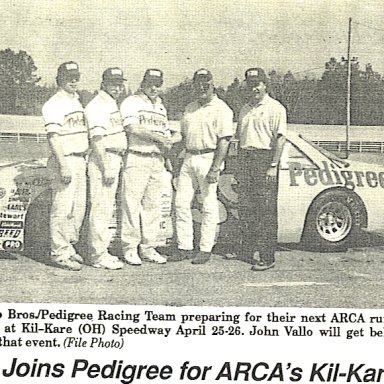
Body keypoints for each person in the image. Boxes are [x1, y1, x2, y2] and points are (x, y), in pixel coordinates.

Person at [171, 68, 234, 265]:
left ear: (212, 84)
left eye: (206, 83)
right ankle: (184, 247)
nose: (202, 87)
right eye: (198, 83)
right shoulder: (190, 108)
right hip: (189, 157)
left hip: (209, 158)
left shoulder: (222, 108)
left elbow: (224, 141)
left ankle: (206, 248)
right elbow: (182, 137)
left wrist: (216, 167)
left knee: (208, 205)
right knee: (181, 204)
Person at [120, 69, 181, 265]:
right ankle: (129, 248)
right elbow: (132, 128)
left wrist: (170, 142)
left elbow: (166, 134)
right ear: (143, 83)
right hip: (137, 156)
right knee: (131, 205)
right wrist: (159, 138)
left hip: (157, 159)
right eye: (150, 83)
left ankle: (149, 247)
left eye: (157, 84)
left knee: (153, 205)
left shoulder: (160, 106)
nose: (154, 88)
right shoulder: (131, 102)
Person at [236, 67, 287, 271]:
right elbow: (239, 138)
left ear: (265, 85)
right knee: (246, 209)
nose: (254, 88)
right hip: (245, 159)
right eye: (250, 84)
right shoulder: (244, 108)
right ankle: (247, 250)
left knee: (265, 212)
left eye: (257, 84)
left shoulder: (276, 108)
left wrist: (273, 166)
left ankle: (267, 256)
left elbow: (280, 138)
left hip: (264, 159)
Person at [42, 61, 89, 271]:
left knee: (76, 209)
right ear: (59, 78)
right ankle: (59, 253)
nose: (74, 80)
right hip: (65, 159)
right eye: (69, 77)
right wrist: (63, 165)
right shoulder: (54, 103)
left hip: (80, 159)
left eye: (76, 76)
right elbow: (54, 138)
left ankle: (69, 248)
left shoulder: (77, 102)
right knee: (62, 208)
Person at [85, 67, 127, 270]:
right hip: (105, 158)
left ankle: (101, 250)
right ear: (103, 84)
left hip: (114, 157)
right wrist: (106, 167)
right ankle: (97, 254)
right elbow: (97, 139)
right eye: (113, 83)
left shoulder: (110, 103)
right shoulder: (97, 105)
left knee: (106, 207)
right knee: (101, 209)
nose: (118, 87)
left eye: (120, 83)